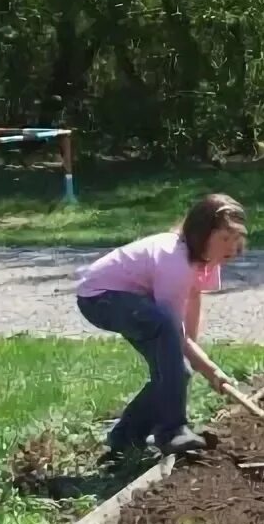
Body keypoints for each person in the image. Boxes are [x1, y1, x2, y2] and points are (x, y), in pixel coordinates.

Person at [75, 193, 247, 459]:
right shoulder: (175, 260)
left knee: (179, 373)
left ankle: (124, 439)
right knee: (171, 347)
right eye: (224, 238)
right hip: (101, 299)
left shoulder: (206, 260)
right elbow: (172, 326)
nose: (232, 246)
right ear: (202, 233)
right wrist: (210, 369)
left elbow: (189, 318)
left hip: (132, 302)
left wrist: (201, 366)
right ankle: (172, 430)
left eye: (235, 238)